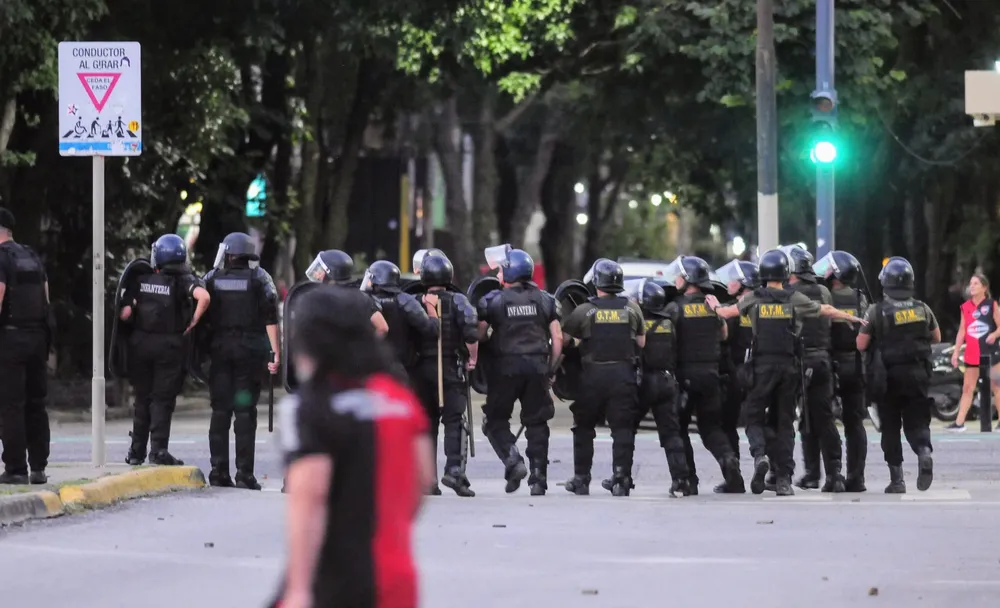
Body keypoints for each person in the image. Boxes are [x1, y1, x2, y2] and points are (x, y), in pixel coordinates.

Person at [272, 287, 432, 608]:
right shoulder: (401, 401)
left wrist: (299, 588)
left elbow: (310, 496)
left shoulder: (310, 406)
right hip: (398, 578)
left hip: (335, 580)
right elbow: (422, 480)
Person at [707, 249, 863, 497]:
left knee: (753, 417)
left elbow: (727, 313)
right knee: (785, 424)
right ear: (786, 273)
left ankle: (760, 456)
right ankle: (784, 481)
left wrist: (715, 306)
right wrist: (851, 318)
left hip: (762, 367)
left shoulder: (754, 298)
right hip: (790, 368)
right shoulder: (795, 298)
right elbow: (825, 310)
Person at [477, 248, 561, 495]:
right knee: (537, 421)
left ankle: (513, 460)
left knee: (494, 420)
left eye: (501, 269)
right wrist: (551, 369)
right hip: (537, 367)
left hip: (505, 368)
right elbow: (557, 337)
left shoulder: (493, 300)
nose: (499, 273)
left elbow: (479, 334)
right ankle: (538, 479)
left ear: (509, 271)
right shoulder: (546, 299)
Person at [120, 234, 210, 466]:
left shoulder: (140, 278)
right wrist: (193, 322)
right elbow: (204, 297)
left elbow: (125, 314)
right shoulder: (183, 280)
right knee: (162, 399)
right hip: (169, 347)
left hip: (140, 345)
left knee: (142, 398)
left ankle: (136, 451)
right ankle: (159, 450)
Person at [560, 259, 645, 496]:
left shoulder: (584, 310)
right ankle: (621, 478)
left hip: (593, 377)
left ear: (597, 282)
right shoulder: (632, 309)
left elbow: (563, 341)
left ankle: (581, 479)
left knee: (584, 427)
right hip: (623, 376)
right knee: (622, 429)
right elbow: (641, 342)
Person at [203, 232, 281, 489]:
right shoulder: (260, 279)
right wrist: (275, 353)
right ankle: (244, 474)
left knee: (220, 411)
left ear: (228, 253)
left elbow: (198, 308)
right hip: (249, 354)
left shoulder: (213, 278)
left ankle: (218, 471)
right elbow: (271, 317)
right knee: (245, 413)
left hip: (220, 352)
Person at [857, 257, 940, 493]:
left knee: (891, 427)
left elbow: (861, 344)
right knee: (917, 421)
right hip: (917, 375)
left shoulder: (875, 311)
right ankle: (924, 452)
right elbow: (936, 337)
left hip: (888, 379)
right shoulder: (922, 308)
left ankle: (897, 480)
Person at [665, 255, 742, 494]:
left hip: (685, 377)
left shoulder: (674, 308)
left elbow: (667, 342)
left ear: (687, 279)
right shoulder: (713, 305)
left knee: (679, 428)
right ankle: (729, 461)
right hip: (711, 375)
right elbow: (724, 334)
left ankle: (689, 480)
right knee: (711, 429)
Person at [412, 255, 479, 497]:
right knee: (454, 422)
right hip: (451, 369)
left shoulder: (413, 302)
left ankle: (427, 479)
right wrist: (473, 358)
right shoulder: (459, 301)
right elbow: (471, 333)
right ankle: (454, 471)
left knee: (426, 425)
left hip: (421, 374)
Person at [782, 245, 844, 492]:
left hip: (801, 362)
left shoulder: (788, 294)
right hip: (823, 360)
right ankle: (835, 473)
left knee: (805, 420)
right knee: (825, 419)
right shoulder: (823, 291)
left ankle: (810, 473)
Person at [625, 279, 691, 496]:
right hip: (666, 382)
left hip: (643, 383)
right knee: (671, 433)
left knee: (626, 430)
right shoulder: (668, 323)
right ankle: (681, 479)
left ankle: (622, 476)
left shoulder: (636, 322)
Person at [0, 207, 52, 485]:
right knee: (36, 403)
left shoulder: (1, 258)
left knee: (11, 405)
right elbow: (45, 297)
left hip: (10, 340)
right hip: (37, 337)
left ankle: (16, 469)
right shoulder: (31, 255)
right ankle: (39, 467)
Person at [814, 250, 870, 491]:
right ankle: (856, 478)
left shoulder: (826, 297)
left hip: (832, 365)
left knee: (826, 420)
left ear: (835, 273)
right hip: (856, 366)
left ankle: (833, 475)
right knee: (854, 423)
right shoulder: (861, 298)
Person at [361, 260, 439, 381]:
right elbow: (432, 329)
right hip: (401, 370)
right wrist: (430, 306)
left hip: (370, 368)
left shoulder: (364, 301)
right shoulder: (405, 301)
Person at [715, 259, 760, 463]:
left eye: (734, 280)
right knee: (762, 422)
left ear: (743, 283)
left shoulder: (731, 310)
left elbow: (722, 339)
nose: (729, 283)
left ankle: (734, 473)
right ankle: (773, 470)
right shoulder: (764, 306)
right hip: (763, 372)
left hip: (736, 374)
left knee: (728, 424)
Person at [946, 272, 1000, 431]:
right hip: (972, 352)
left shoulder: (991, 305)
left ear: (984, 287)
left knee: (996, 386)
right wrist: (956, 352)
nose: (972, 286)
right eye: (971, 283)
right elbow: (962, 331)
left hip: (990, 352)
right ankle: (959, 422)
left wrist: (994, 334)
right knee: (968, 388)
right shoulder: (965, 307)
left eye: (976, 283)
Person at [305, 249, 388, 336]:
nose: (317, 274)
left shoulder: (318, 299)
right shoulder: (362, 298)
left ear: (331, 273)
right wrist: (367, 347)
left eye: (320, 271)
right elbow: (382, 328)